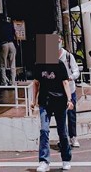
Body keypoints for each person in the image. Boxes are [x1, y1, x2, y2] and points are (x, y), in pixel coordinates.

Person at [31, 33, 73, 172]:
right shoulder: (38, 65)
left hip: (60, 101)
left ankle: (66, 159)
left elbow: (65, 82)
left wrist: (69, 99)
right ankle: (44, 161)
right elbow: (36, 83)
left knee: (63, 132)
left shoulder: (60, 64)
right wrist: (33, 100)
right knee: (44, 130)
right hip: (44, 101)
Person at [57, 35, 81, 147]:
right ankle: (63, 137)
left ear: (61, 41)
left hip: (70, 89)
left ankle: (73, 137)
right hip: (58, 90)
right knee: (60, 116)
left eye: (58, 41)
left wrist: (70, 77)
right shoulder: (49, 56)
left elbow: (76, 71)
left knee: (71, 114)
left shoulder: (68, 56)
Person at [0, 13, 17, 86]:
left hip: (3, 44)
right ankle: (12, 82)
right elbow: (14, 34)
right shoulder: (9, 25)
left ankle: (4, 82)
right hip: (11, 44)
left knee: (2, 65)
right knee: (12, 64)